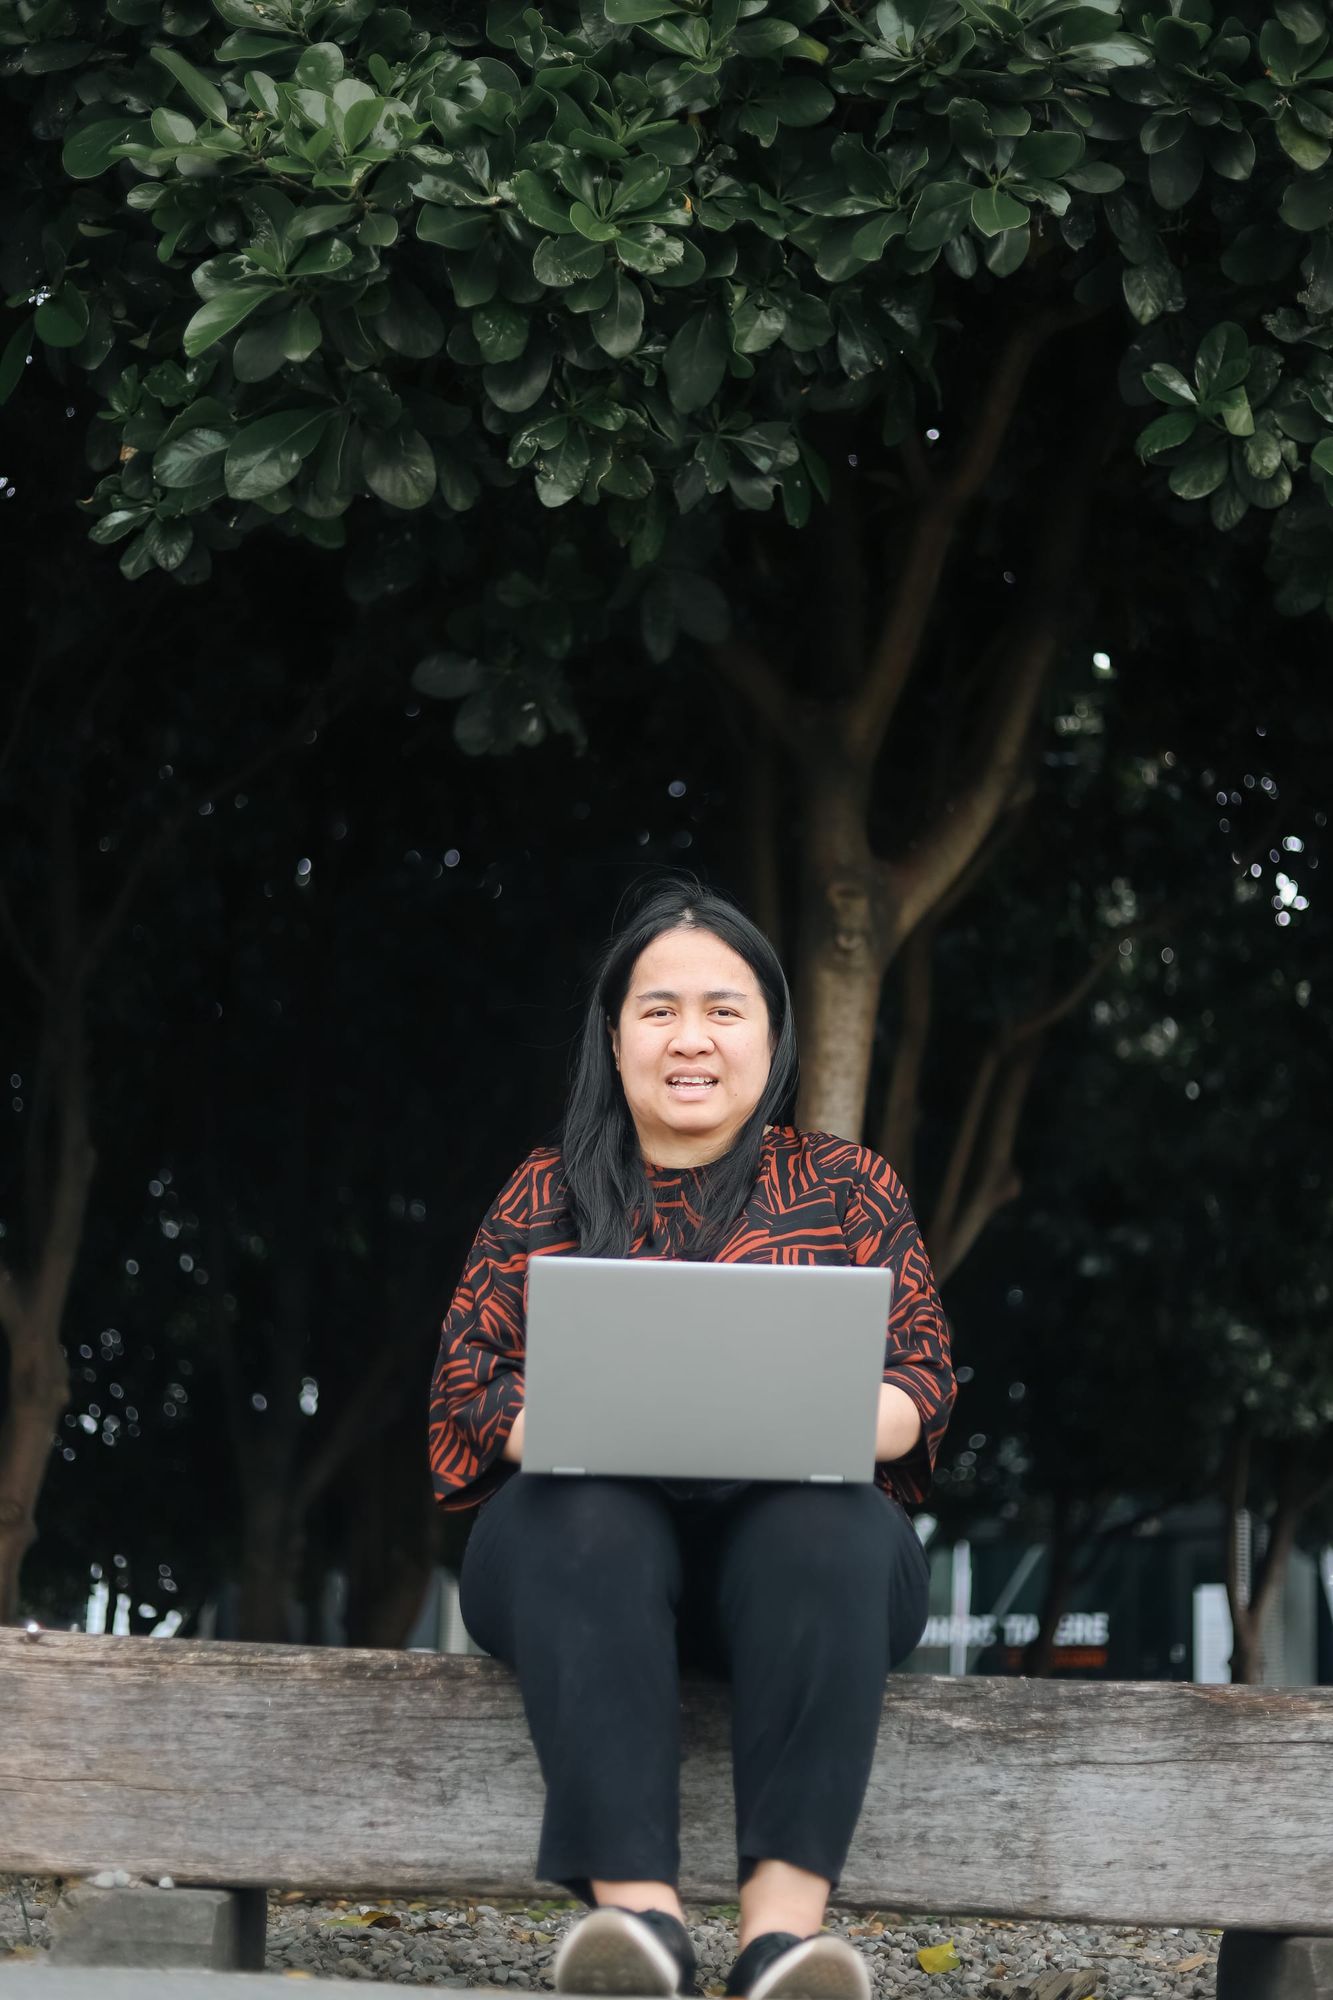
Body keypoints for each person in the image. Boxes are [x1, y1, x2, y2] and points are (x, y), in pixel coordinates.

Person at [429, 881, 955, 2000]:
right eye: (657, 1008)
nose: (690, 1038)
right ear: (613, 1035)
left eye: (724, 1009)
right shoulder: (546, 1191)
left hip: (799, 1565)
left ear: (770, 1034)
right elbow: (469, 1386)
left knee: (827, 1521)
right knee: (585, 1509)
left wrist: (796, 1420)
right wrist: (581, 1424)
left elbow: (918, 1382)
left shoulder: (851, 1187)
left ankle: (781, 1942)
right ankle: (642, 1931)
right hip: (583, 1559)